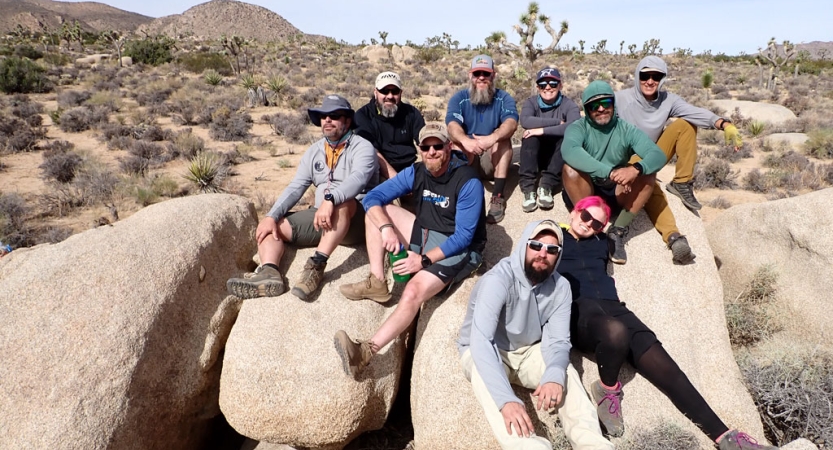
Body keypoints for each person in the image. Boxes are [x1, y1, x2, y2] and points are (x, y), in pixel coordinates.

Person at [557, 195, 777, 450]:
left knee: (667, 368)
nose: (588, 224)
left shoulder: (603, 242)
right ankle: (607, 389)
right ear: (574, 212)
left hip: (615, 308)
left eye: (597, 223)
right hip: (578, 311)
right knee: (615, 333)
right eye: (585, 216)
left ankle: (725, 436)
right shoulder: (554, 238)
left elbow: (633, 201)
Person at [334, 122, 486, 378]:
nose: (432, 152)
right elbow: (372, 198)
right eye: (426, 147)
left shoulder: (467, 181)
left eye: (438, 146)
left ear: (449, 146)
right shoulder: (416, 172)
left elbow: (464, 237)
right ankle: (378, 281)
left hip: (457, 248)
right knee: (379, 214)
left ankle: (366, 352)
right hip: (425, 231)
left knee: (414, 290)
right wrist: (386, 229)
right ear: (419, 149)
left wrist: (423, 261)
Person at [458, 219, 614, 450]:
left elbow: (558, 341)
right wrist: (506, 400)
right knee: (485, 375)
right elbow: (481, 341)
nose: (543, 254)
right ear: (524, 245)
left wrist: (553, 374)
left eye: (552, 249)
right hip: (488, 350)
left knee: (565, 373)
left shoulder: (561, 287)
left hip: (529, 351)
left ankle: (593, 444)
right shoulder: (498, 279)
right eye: (536, 245)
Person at [226, 94, 378, 301]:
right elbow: (296, 187)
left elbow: (358, 180)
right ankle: (269, 273)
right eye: (324, 116)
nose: (328, 120)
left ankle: (316, 265)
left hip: (356, 218)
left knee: (343, 202)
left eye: (334, 116)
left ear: (348, 120)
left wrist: (330, 199)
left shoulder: (363, 147)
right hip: (322, 217)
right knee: (273, 228)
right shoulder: (314, 151)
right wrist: (271, 215)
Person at [615, 55, 742, 263]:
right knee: (650, 184)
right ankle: (673, 237)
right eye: (645, 75)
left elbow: (694, 112)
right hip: (627, 160)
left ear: (662, 79)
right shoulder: (621, 99)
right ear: (638, 75)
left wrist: (724, 124)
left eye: (656, 76)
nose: (650, 81)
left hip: (652, 155)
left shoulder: (668, 100)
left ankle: (682, 183)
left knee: (686, 125)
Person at [561, 80, 667, 265]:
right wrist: (609, 172)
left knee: (648, 173)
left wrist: (635, 169)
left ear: (613, 104)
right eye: (594, 105)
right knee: (569, 169)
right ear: (586, 109)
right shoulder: (578, 128)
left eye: (606, 103)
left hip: (617, 191)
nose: (601, 109)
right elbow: (570, 151)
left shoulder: (626, 129)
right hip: (588, 190)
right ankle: (589, 222)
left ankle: (617, 230)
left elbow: (657, 155)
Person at [446, 54, 519, 224]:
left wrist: (492, 138)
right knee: (455, 144)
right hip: (469, 158)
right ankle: (455, 195)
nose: (481, 78)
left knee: (504, 140)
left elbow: (511, 122)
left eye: (486, 74)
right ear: (470, 75)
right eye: (477, 73)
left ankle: (498, 197)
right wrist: (466, 141)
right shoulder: (459, 98)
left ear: (493, 75)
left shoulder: (503, 98)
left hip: (491, 159)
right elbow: (452, 126)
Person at [519, 67, 581, 213]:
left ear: (560, 85)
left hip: (556, 156)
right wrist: (556, 123)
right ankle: (528, 188)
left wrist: (542, 130)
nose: (548, 87)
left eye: (553, 83)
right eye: (543, 85)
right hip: (536, 154)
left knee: (567, 137)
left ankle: (546, 185)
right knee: (529, 135)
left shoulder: (568, 105)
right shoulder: (531, 102)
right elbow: (526, 121)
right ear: (537, 87)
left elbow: (574, 126)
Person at [354, 71, 426, 180]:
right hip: (377, 172)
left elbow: (425, 142)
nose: (390, 96)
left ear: (401, 93)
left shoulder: (411, 113)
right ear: (375, 92)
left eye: (395, 91)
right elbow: (372, 152)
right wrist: (397, 182)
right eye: (384, 91)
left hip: (409, 170)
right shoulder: (363, 116)